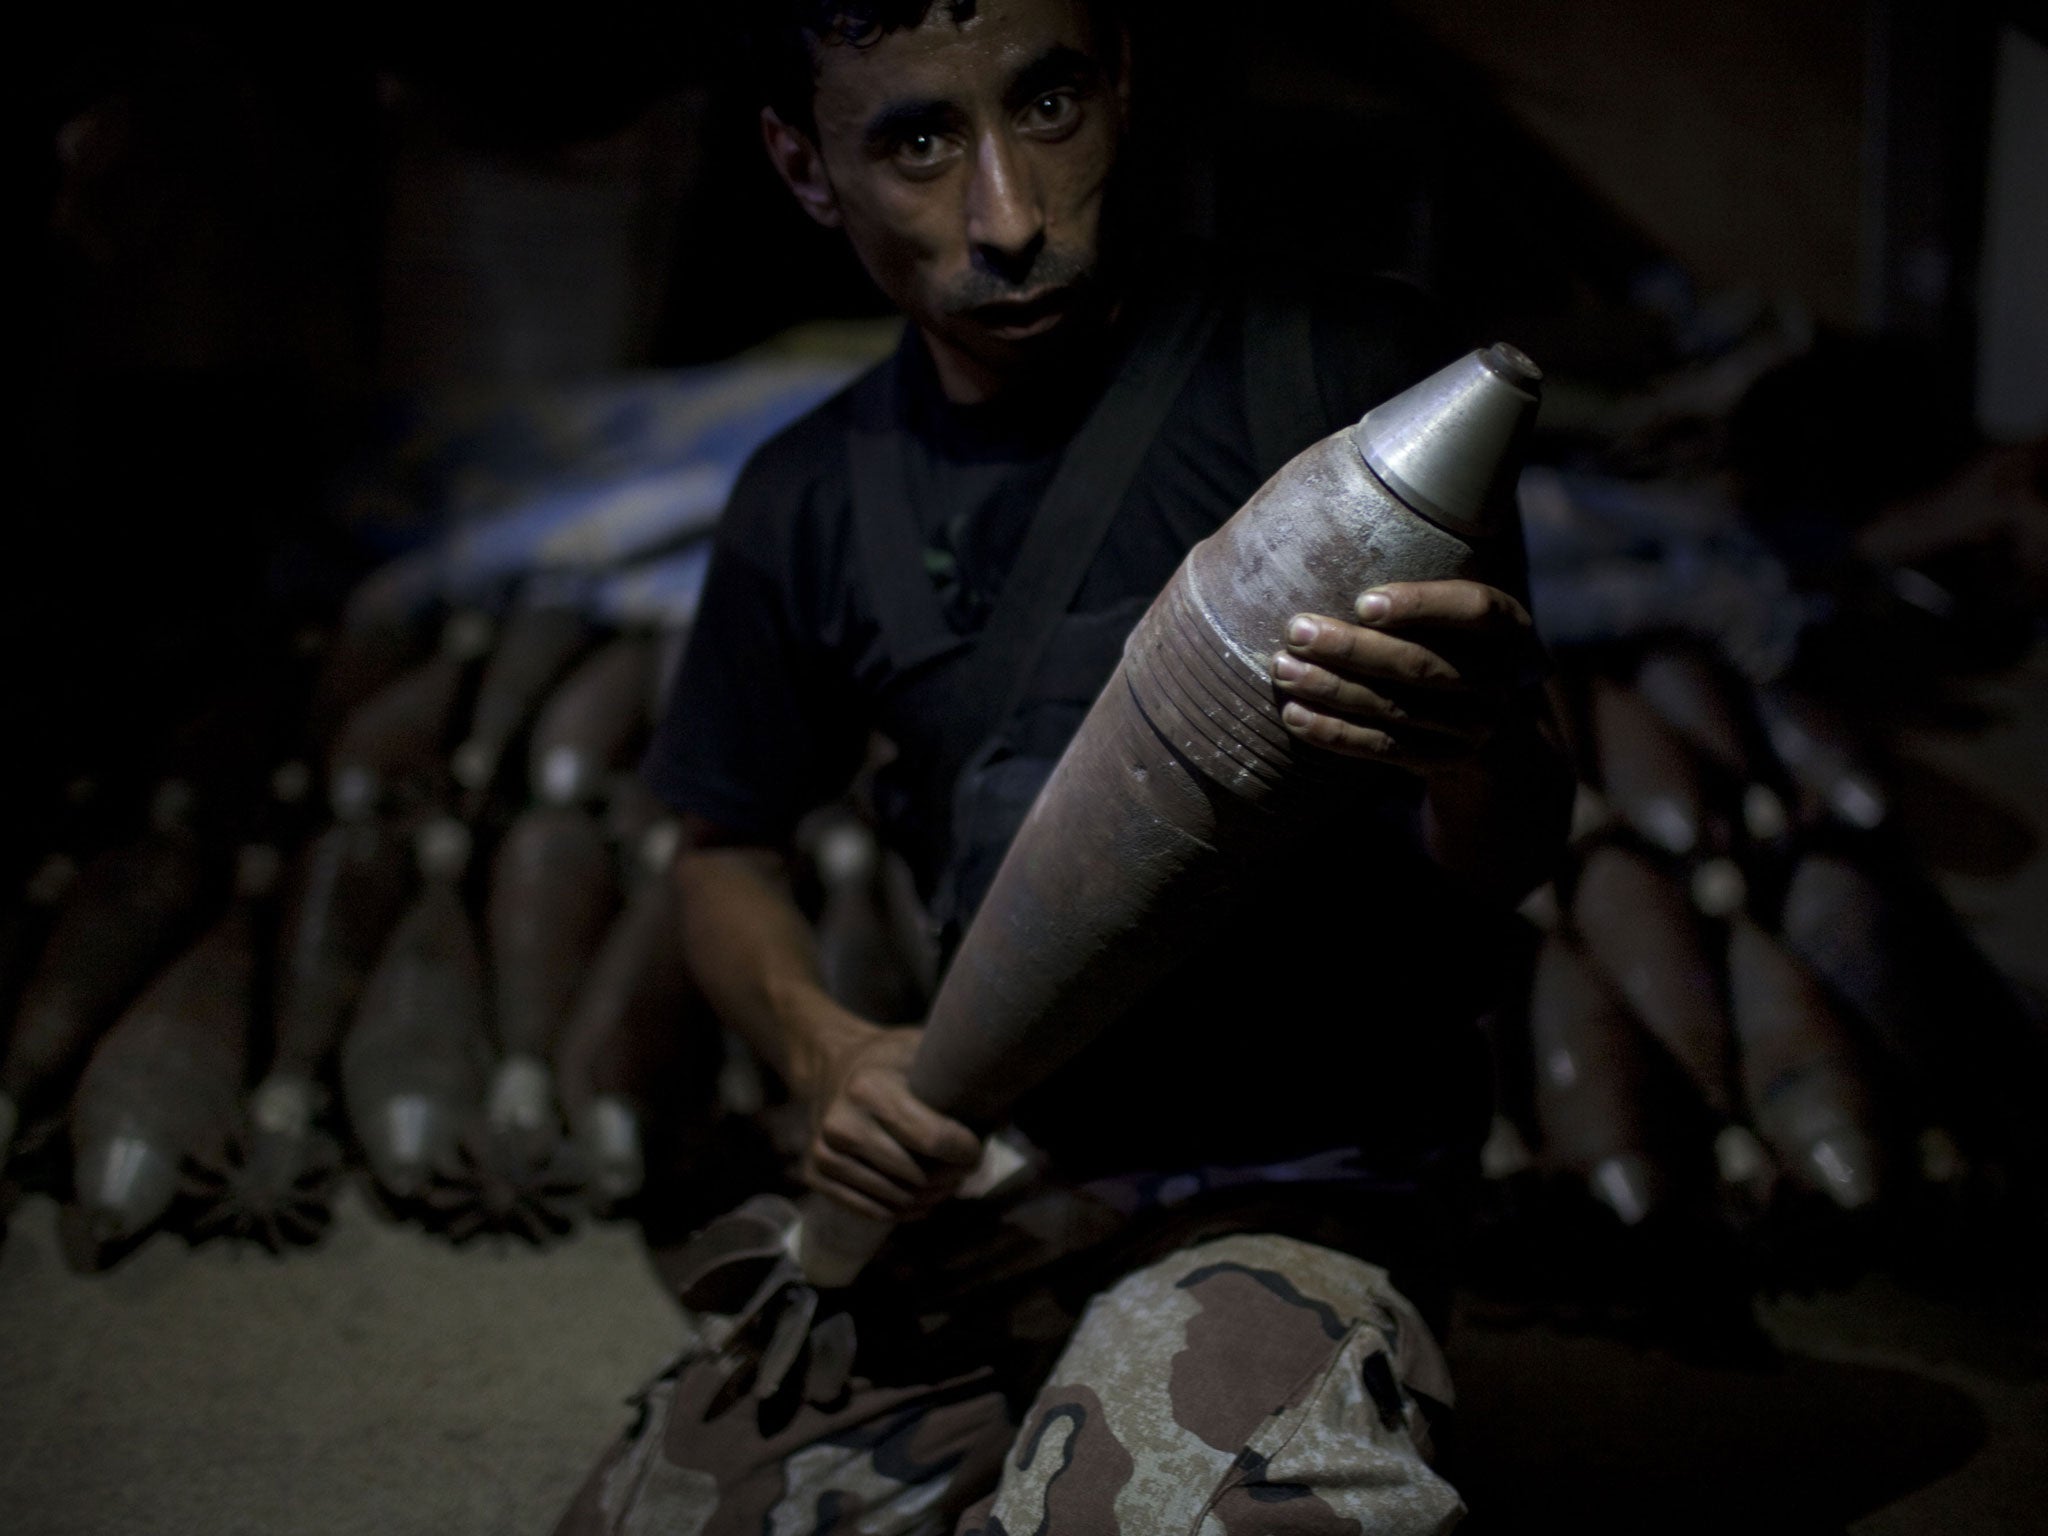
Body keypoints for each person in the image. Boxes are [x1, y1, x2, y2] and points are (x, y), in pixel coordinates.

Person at [557, 2, 1572, 1531]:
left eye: (1047, 107)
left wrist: (1481, 746)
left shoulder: (1352, 389)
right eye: (914, 141)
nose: (1009, 218)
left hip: (1304, 1162)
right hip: (1013, 1161)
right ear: (803, 166)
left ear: (1121, 83)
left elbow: (1504, 858)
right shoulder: (810, 496)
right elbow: (723, 845)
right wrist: (826, 1050)